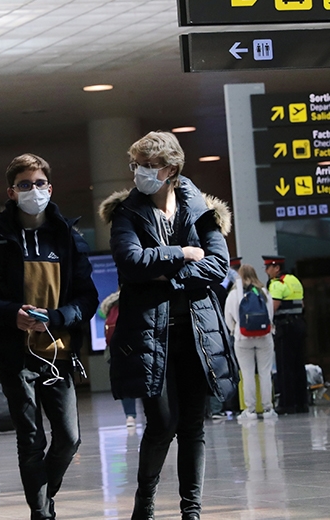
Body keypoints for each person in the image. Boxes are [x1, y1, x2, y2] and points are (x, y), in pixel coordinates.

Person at [99, 131, 236, 520]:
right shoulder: (126, 212)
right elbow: (130, 262)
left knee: (193, 424)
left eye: (147, 165)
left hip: (196, 333)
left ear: (171, 169)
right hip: (148, 335)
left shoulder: (201, 209)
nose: (139, 172)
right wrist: (182, 253)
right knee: (161, 421)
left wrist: (166, 275)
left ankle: (191, 510)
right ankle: (145, 502)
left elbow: (217, 265)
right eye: (136, 165)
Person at [0, 153, 98, 520]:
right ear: (12, 192)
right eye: (25, 185)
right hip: (14, 354)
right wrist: (12, 314)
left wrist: (59, 317)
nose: (34, 190)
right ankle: (42, 514)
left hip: (58, 351)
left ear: (50, 187)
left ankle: (44, 497)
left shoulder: (68, 237)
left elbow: (87, 296)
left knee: (69, 438)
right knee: (30, 439)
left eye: (40, 183)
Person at [224, 265, 276, 420]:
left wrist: (235, 330)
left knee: (247, 375)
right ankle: (268, 409)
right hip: (264, 337)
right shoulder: (264, 292)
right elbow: (270, 315)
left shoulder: (234, 294)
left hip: (242, 338)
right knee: (265, 373)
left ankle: (250, 410)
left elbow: (228, 318)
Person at [263, 255, 308, 414]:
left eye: (268, 267)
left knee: (285, 366)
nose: (266, 271)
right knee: (299, 365)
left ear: (276, 268)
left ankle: (287, 403)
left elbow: (272, 309)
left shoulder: (277, 284)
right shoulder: (294, 280)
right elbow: (301, 304)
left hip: (285, 328)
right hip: (299, 325)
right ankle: (302, 402)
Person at [100, 289, 139, 428]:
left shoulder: (110, 305)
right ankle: (154, 415)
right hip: (138, 346)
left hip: (115, 349)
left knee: (126, 383)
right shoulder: (138, 297)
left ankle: (130, 416)